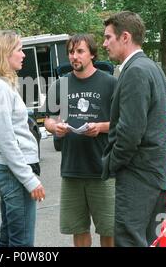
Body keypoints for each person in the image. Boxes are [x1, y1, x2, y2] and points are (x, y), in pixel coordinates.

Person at [101, 11, 166, 247]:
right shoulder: (151, 67)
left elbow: (130, 132)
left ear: (125, 37)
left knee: (129, 240)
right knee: (145, 239)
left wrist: (112, 163)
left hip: (138, 176)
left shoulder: (136, 71)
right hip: (151, 175)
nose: (104, 43)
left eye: (108, 37)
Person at [43, 34, 117, 247]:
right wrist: (55, 127)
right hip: (72, 169)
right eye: (71, 52)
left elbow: (123, 122)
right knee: (78, 229)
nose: (74, 57)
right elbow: (48, 118)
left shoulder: (110, 83)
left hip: (103, 170)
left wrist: (101, 127)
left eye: (80, 51)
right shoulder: (61, 84)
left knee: (108, 230)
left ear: (92, 54)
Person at [0, 30, 45, 247]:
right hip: (14, 171)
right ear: (5, 53)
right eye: (19, 49)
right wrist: (29, 179)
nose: (23, 54)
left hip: (10, 170)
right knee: (21, 242)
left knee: (9, 237)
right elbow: (6, 141)